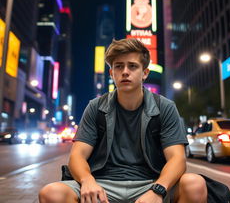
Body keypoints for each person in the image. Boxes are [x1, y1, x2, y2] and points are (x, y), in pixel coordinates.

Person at [39, 38, 207, 203]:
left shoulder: (165, 107)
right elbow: (77, 155)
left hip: (150, 182)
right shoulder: (96, 107)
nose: (125, 71)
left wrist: (158, 190)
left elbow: (177, 159)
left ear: (145, 73)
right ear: (112, 73)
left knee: (195, 184)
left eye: (132, 66)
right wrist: (87, 180)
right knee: (52, 193)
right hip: (102, 184)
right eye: (119, 66)